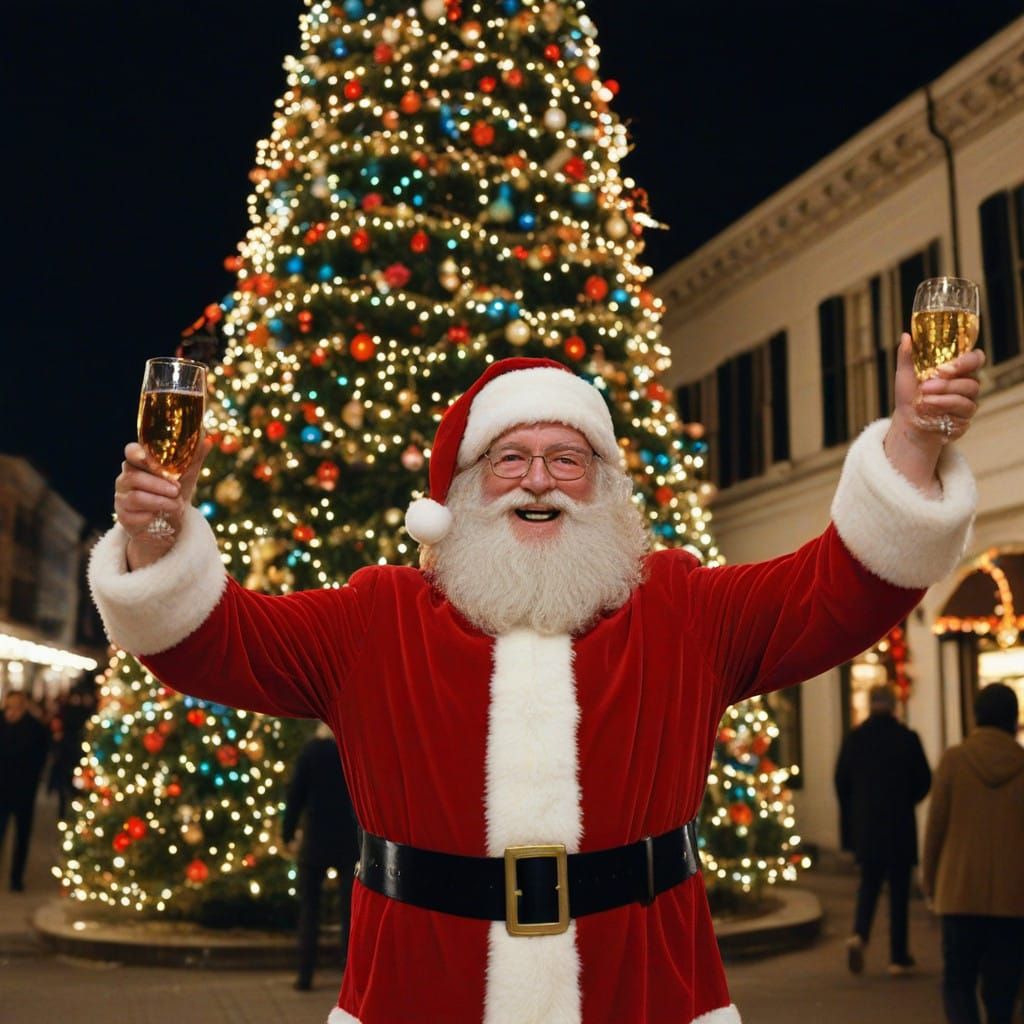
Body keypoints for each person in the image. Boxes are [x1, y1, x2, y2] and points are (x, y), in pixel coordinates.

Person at [89, 338, 983, 1024]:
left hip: (643, 994)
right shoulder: (376, 619)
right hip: (418, 995)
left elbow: (840, 591)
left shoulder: (678, 607)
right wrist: (160, 542)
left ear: (604, 488)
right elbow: (212, 643)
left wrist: (911, 444)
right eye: (509, 459)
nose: (539, 483)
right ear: (463, 491)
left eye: (568, 459)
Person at [922, 683, 1024, 1024]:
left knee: (958, 983)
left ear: (976, 716)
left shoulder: (954, 760)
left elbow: (935, 828)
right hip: (1013, 899)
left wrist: (931, 882)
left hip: (959, 895)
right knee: (1002, 992)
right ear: (1014, 720)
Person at [834, 683, 932, 975]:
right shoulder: (907, 738)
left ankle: (859, 935)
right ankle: (897, 957)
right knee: (899, 892)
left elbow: (841, 781)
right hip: (900, 826)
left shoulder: (856, 739)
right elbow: (924, 780)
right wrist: (906, 800)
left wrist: (855, 815)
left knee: (869, 884)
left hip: (868, 827)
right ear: (894, 705)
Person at [283, 723, 361, 993]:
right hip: (347, 840)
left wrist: (288, 833)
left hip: (315, 839)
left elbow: (295, 796)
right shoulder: (350, 750)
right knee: (350, 911)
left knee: (310, 909)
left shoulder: (310, 752)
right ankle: (349, 976)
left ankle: (305, 975)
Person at [0, 689, 51, 891]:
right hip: (1, 790)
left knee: (22, 837)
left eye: (17, 707)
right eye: (9, 706)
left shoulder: (35, 728)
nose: (12, 711)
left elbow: (40, 758)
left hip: (24, 792)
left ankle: (16, 878)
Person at [47, 673, 98, 820]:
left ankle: (65, 816)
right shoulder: (84, 712)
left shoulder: (65, 711)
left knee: (68, 789)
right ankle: (70, 816)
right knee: (74, 789)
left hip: (70, 755)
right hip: (75, 755)